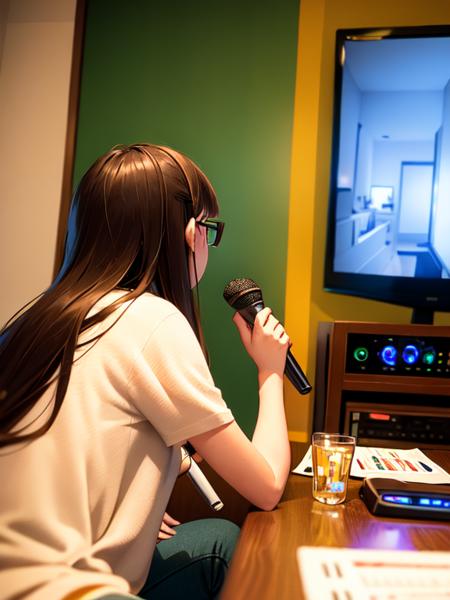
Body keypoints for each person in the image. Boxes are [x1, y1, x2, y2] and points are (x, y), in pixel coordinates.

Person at [0, 143, 291, 599]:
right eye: (208, 228)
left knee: (217, 537)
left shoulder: (33, 320)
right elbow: (267, 485)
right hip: (57, 588)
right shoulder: (151, 320)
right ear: (190, 233)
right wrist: (270, 374)